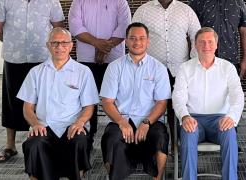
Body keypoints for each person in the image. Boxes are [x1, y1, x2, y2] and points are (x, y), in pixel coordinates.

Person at [17, 27, 99, 180]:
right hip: (44, 126)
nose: (59, 47)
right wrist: (35, 124)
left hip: (72, 125)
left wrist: (80, 123)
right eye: (55, 43)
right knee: (33, 144)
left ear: (71, 45)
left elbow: (89, 106)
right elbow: (27, 107)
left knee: (79, 141)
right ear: (48, 45)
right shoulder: (35, 72)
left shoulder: (83, 71)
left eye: (64, 43)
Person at [0, 0, 64, 162]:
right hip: (14, 56)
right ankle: (10, 145)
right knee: (12, 100)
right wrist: (12, 41)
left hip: (42, 57)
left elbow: (58, 26)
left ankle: (48, 142)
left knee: (45, 101)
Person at [100, 22, 171, 180]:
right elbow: (107, 102)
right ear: (126, 40)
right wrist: (121, 122)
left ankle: (157, 178)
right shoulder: (114, 67)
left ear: (148, 41)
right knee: (110, 138)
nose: (137, 42)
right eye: (132, 38)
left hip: (150, 120)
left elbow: (161, 103)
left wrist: (146, 123)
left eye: (141, 38)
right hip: (122, 119)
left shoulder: (158, 68)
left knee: (160, 136)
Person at [172, 27, 244, 180]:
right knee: (188, 132)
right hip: (193, 119)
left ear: (216, 45)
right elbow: (178, 96)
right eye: (202, 42)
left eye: (210, 42)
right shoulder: (185, 68)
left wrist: (231, 117)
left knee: (230, 132)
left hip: (220, 119)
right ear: (195, 45)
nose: (206, 46)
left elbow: (238, 95)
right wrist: (184, 117)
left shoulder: (228, 68)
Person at [132, 0, 201, 153]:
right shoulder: (143, 11)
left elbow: (197, 37)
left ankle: (177, 146)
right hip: (151, 72)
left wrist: (193, 65)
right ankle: (151, 146)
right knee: (150, 107)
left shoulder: (186, 10)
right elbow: (134, 37)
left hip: (180, 70)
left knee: (178, 109)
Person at [68, 0, 131, 144]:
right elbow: (75, 26)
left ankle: (117, 133)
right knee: (87, 98)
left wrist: (104, 48)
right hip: (86, 59)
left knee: (115, 98)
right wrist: (98, 44)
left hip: (113, 60)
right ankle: (87, 136)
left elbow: (124, 28)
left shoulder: (121, 2)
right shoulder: (79, 1)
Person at [189, 0, 246, 78]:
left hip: (231, 61)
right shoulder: (197, 2)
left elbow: (244, 33)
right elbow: (189, 32)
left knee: (231, 89)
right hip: (203, 62)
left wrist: (245, 61)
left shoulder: (238, 2)